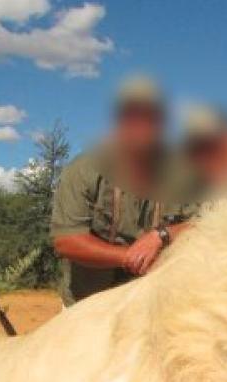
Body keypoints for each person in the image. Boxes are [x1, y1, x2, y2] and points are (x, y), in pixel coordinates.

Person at [49, 76, 194, 306]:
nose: (142, 128)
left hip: (157, 303)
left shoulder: (183, 172)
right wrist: (129, 256)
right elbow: (67, 241)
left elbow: (209, 222)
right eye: (133, 118)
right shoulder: (84, 169)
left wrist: (162, 236)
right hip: (88, 304)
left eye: (151, 118)